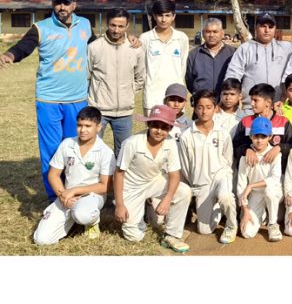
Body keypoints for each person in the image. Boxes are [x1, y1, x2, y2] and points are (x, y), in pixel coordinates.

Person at [0, 0, 92, 200]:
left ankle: (75, 192)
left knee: (75, 148)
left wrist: (128, 41)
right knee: (51, 150)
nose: (62, 6)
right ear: (53, 4)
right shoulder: (41, 28)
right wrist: (9, 55)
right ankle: (55, 197)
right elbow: (24, 46)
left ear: (74, 5)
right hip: (49, 100)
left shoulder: (85, 25)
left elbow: (99, 46)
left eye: (66, 2)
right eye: (58, 2)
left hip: (77, 98)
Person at [114, 105, 193, 253]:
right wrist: (119, 205)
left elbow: (174, 174)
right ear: (148, 124)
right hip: (132, 188)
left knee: (184, 191)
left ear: (170, 129)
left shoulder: (170, 143)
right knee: (134, 236)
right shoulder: (132, 143)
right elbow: (118, 174)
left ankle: (172, 235)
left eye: (164, 127)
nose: (159, 131)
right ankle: (143, 215)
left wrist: (167, 200)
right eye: (155, 125)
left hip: (155, 181)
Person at [33, 106, 116, 245]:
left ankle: (92, 221)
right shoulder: (67, 144)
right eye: (79, 125)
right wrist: (62, 195)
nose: (83, 130)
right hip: (67, 195)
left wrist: (75, 191)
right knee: (41, 240)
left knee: (82, 215)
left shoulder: (105, 152)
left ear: (98, 127)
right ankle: (70, 218)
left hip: (92, 195)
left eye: (88, 126)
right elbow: (53, 174)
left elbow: (106, 186)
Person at [178, 90, 238, 244]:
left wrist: (222, 177)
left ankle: (231, 225)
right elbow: (185, 166)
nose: (204, 111)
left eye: (209, 107)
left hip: (220, 176)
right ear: (194, 108)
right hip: (201, 184)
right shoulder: (186, 136)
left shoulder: (222, 133)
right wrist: (195, 186)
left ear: (215, 108)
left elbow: (228, 160)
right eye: (200, 107)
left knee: (225, 195)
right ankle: (217, 206)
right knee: (204, 230)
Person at [87, 8, 145, 156]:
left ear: (127, 26)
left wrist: (129, 91)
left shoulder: (136, 49)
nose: (116, 30)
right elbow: (86, 76)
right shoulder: (94, 47)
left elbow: (140, 77)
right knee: (93, 151)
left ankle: (118, 180)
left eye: (120, 26)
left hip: (125, 112)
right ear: (107, 24)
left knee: (123, 153)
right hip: (99, 109)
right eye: (113, 25)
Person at [224, 13, 292, 109]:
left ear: (275, 29)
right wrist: (230, 99)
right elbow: (233, 75)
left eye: (270, 27)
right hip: (251, 108)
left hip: (278, 107)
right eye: (263, 26)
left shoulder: (286, 48)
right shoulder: (245, 49)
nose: (267, 30)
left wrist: (284, 98)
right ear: (256, 28)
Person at [139, 0, 190, 115]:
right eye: (160, 15)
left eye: (167, 15)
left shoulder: (181, 38)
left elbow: (183, 67)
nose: (163, 19)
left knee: (176, 131)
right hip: (153, 96)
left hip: (175, 97)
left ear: (174, 16)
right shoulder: (146, 38)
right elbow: (142, 68)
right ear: (154, 16)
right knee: (155, 131)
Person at [237, 116, 283, 242]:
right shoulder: (245, 156)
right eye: (256, 136)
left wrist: (251, 186)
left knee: (270, 191)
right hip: (256, 195)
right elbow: (241, 186)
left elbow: (274, 179)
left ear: (270, 137)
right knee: (246, 233)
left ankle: (273, 224)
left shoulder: (276, 154)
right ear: (250, 136)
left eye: (263, 137)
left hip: (274, 193)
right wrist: (245, 211)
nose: (259, 140)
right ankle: (262, 215)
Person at [232, 83, 292, 172]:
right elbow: (235, 146)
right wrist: (246, 150)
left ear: (268, 102)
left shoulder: (283, 122)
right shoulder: (245, 122)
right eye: (251, 100)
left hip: (277, 174)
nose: (251, 103)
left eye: (255, 100)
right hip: (250, 173)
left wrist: (280, 148)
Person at [185, 17, 236, 97]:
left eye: (215, 32)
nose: (211, 35)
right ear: (203, 33)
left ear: (222, 33)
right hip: (202, 103)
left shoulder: (233, 53)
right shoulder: (194, 54)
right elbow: (189, 81)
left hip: (226, 103)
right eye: (208, 32)